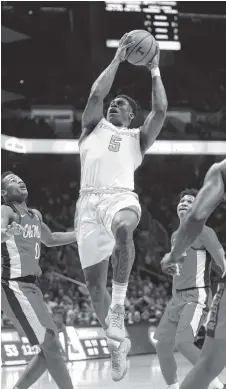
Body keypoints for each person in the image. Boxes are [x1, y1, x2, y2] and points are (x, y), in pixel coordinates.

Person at [75, 32, 167, 381]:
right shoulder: (91, 128)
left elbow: (161, 110)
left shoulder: (138, 138)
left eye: (122, 105)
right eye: (114, 103)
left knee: (125, 227)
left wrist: (154, 68)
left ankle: (119, 305)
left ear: (132, 116)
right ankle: (117, 345)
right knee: (93, 286)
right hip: (87, 203)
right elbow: (97, 93)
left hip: (120, 197)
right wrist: (117, 59)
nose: (114, 105)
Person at [1, 171, 77, 389]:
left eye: (19, 178)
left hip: (31, 288)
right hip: (12, 285)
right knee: (51, 345)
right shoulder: (6, 210)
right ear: (3, 193)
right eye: (12, 181)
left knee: (51, 348)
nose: (19, 180)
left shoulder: (35, 215)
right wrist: (7, 233)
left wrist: (79, 235)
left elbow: (50, 239)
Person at [161, 159, 226, 389]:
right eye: (181, 201)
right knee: (162, 344)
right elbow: (178, 267)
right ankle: (174, 386)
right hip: (176, 297)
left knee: (184, 342)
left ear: (197, 205)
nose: (184, 204)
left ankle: (216, 385)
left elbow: (222, 260)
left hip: (196, 295)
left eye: (190, 201)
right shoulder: (174, 236)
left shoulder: (204, 231)